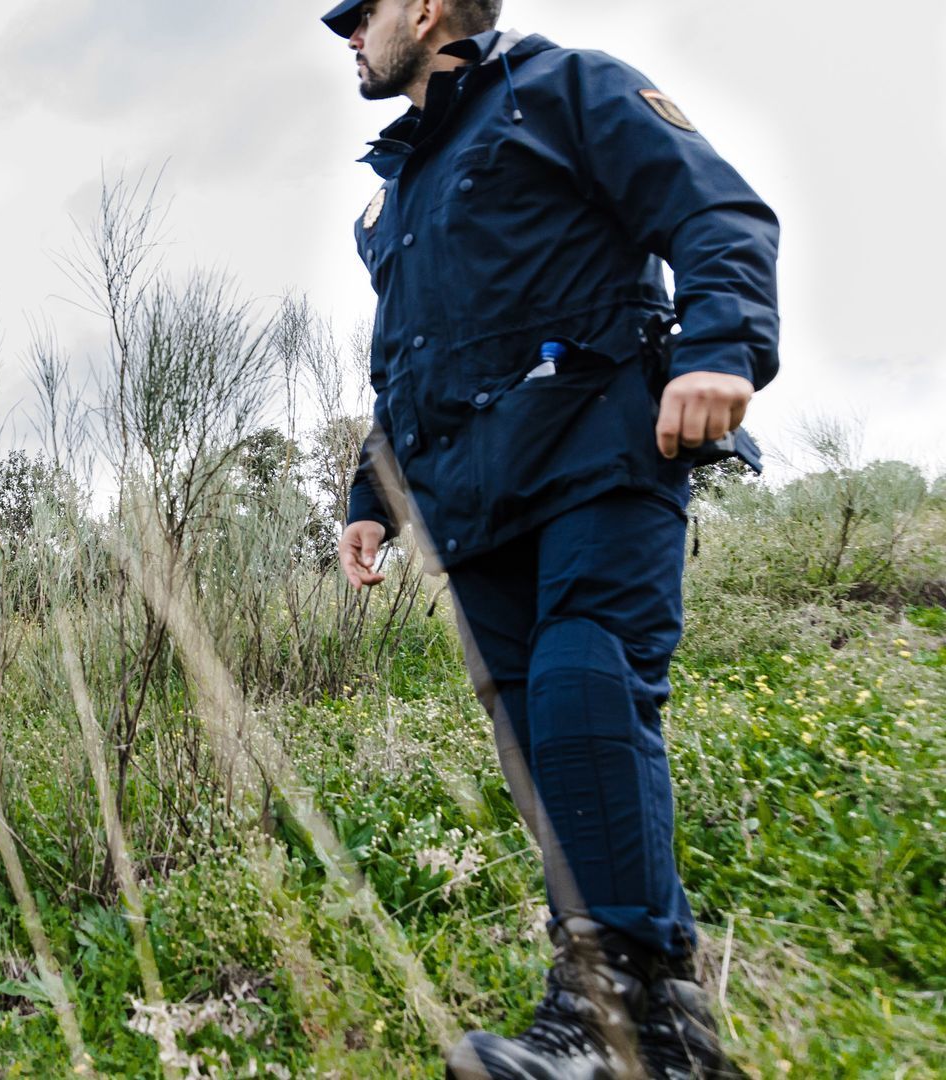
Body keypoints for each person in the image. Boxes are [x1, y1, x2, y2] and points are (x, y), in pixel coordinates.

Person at [320, 2, 777, 1077]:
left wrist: (721, 345)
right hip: (474, 509)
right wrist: (369, 499)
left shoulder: (564, 88)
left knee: (589, 683)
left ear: (429, 9)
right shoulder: (402, 193)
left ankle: (613, 1021)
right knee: (548, 753)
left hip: (598, 452)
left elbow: (717, 213)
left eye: (360, 11)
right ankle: (659, 1036)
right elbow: (412, 363)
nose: (341, 30)